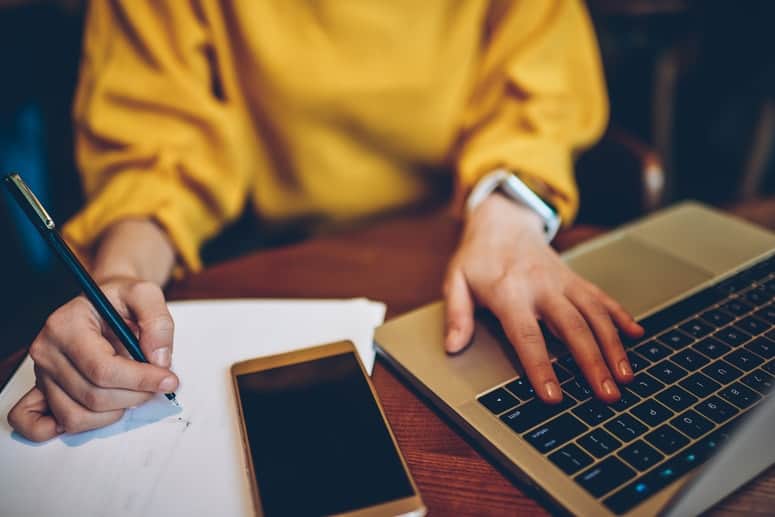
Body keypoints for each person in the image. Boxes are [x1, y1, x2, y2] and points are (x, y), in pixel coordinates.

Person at [8, 1, 643, 442]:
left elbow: (541, 81)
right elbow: (157, 143)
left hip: (466, 234)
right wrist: (119, 276)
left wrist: (507, 216)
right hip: (275, 260)